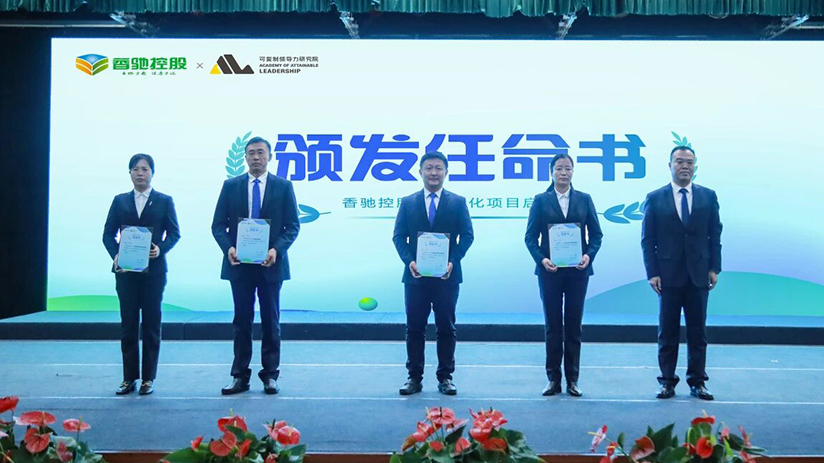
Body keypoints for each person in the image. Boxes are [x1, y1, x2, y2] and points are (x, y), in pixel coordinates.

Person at [212, 136, 300, 395]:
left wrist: (276, 250)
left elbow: (293, 226)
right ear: (245, 157)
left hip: (270, 264)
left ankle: (270, 375)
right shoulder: (231, 186)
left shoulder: (283, 187)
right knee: (242, 321)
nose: (256, 157)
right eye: (251, 153)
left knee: (271, 321)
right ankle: (239, 376)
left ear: (270, 157)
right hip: (239, 264)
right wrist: (228, 248)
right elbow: (218, 225)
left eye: (261, 152)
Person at [641, 146, 722, 401]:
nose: (685, 166)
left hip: (699, 274)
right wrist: (652, 272)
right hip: (667, 275)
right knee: (667, 331)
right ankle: (667, 381)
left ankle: (698, 382)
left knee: (698, 332)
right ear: (670, 165)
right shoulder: (655, 198)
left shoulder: (708, 196)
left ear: (695, 167)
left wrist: (714, 268)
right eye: (679, 161)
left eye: (689, 162)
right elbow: (648, 240)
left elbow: (715, 235)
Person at [392, 151, 474, 396]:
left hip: (447, 277)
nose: (434, 173)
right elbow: (398, 237)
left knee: (446, 327)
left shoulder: (457, 202)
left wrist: (452, 261)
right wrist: (410, 261)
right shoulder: (408, 202)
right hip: (415, 277)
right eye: (429, 168)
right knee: (414, 328)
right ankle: (414, 377)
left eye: (438, 168)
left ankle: (445, 377)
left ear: (446, 172)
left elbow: (467, 236)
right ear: (420, 172)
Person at [525, 153, 603, 397]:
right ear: (551, 172)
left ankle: (572, 379)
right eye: (559, 168)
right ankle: (553, 379)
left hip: (578, 272)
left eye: (568, 168)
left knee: (573, 325)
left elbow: (596, 235)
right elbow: (530, 237)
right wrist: (542, 259)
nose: (563, 173)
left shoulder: (584, 199)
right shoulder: (541, 200)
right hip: (550, 272)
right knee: (553, 326)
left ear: (573, 172)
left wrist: (589, 255)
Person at [103, 153, 181, 396]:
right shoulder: (120, 201)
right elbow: (107, 235)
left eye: (145, 169)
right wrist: (116, 254)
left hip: (153, 274)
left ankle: (148, 378)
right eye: (136, 169)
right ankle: (129, 378)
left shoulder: (164, 201)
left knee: (151, 325)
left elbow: (174, 233)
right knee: (128, 326)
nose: (140, 173)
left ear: (152, 173)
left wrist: (161, 249)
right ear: (129, 172)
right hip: (126, 272)